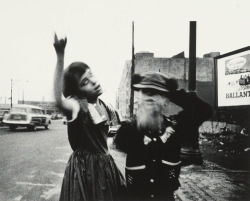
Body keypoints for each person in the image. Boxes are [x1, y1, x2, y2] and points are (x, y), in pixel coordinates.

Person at [114, 72, 212, 201]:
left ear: (166, 100)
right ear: (139, 97)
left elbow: (204, 110)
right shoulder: (128, 130)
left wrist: (172, 93)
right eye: (145, 91)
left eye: (155, 92)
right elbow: (121, 142)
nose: (149, 94)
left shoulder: (176, 128)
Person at [53, 34, 126, 201]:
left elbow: (119, 127)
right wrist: (60, 56)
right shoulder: (77, 105)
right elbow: (58, 100)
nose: (93, 81)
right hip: (85, 170)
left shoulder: (104, 105)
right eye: (85, 82)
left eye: (91, 74)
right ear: (76, 92)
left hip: (106, 165)